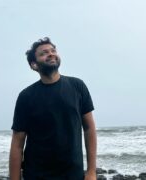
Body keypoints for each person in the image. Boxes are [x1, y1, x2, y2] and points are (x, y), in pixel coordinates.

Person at [9, 37, 97, 180]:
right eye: (44, 53)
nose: (51, 54)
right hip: (36, 175)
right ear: (34, 65)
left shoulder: (77, 86)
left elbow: (89, 128)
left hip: (73, 174)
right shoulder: (26, 96)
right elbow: (18, 143)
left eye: (53, 50)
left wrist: (91, 171)